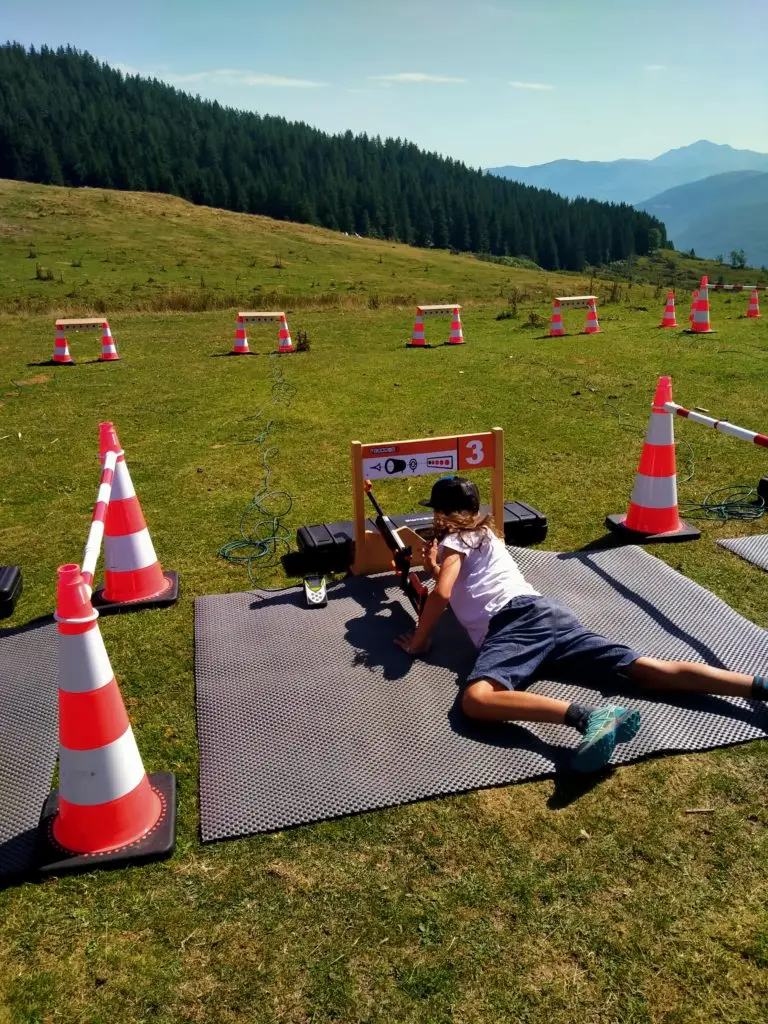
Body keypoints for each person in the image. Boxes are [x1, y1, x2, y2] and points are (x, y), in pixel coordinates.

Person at [394, 476, 767, 773]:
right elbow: (461, 580)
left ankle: (590, 717)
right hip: (548, 614)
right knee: (645, 669)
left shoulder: (455, 540)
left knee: (477, 701)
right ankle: (757, 686)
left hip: (512, 624)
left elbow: (442, 595)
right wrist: (433, 566)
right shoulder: (486, 534)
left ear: (442, 515)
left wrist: (419, 642)